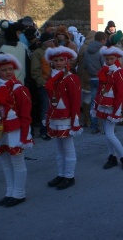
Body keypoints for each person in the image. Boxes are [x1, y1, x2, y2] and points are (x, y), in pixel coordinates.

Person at [0, 53, 33, 207]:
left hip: (15, 132)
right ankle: (10, 192)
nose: (8, 72)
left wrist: (25, 136)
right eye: (4, 70)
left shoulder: (19, 89)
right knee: (5, 162)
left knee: (17, 161)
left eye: (10, 69)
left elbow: (25, 115)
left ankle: (19, 193)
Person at [44, 46, 82, 190]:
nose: (58, 63)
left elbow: (75, 101)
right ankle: (61, 174)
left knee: (68, 146)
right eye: (55, 60)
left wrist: (75, 121)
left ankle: (69, 176)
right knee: (59, 148)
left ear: (66, 61)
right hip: (55, 116)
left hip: (66, 118)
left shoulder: (71, 78)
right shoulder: (51, 77)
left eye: (61, 60)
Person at [92, 46, 123, 170]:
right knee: (107, 133)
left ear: (116, 58)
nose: (109, 61)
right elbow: (100, 89)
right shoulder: (105, 70)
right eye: (107, 58)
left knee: (109, 134)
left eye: (112, 59)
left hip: (113, 106)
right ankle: (112, 156)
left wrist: (117, 110)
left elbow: (121, 93)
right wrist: (96, 105)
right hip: (103, 104)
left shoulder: (119, 72)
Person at [30, 32, 56, 140]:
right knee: (45, 107)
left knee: (53, 106)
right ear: (46, 42)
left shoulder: (54, 52)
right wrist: (43, 83)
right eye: (51, 40)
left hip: (54, 84)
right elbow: (35, 71)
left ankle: (53, 127)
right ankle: (44, 129)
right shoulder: (38, 53)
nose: (53, 42)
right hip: (44, 84)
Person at [84, 31, 107, 134]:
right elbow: (105, 65)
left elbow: (84, 65)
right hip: (101, 79)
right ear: (102, 40)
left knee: (94, 103)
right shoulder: (101, 51)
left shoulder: (86, 50)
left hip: (92, 78)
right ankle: (107, 126)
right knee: (105, 103)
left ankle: (94, 126)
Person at [76, 30, 97, 128]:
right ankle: (90, 120)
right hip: (90, 75)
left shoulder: (82, 47)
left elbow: (78, 61)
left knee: (85, 97)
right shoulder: (94, 48)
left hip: (81, 74)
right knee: (91, 98)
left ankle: (86, 119)